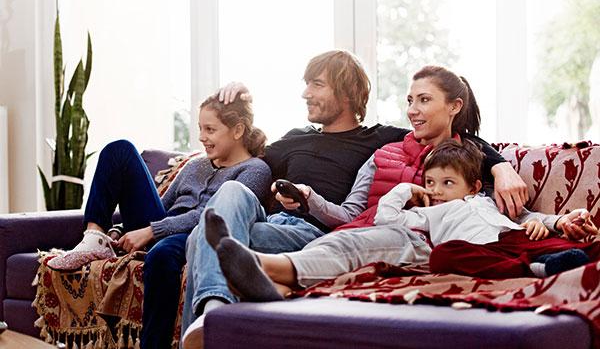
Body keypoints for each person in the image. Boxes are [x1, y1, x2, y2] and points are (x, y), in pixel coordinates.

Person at [181, 58, 526, 347]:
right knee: (226, 201)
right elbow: (241, 153)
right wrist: (241, 102)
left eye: (316, 84)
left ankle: (211, 319)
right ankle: (214, 312)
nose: (306, 93)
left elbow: (456, 141)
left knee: (202, 239)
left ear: (344, 92)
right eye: (410, 101)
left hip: (313, 230)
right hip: (272, 223)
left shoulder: (381, 138)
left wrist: (500, 164)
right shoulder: (297, 140)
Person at [206, 139, 599, 302]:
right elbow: (386, 218)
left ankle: (265, 276)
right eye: (431, 182)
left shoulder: (489, 201)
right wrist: (405, 192)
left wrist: (557, 223)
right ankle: (264, 268)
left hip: (506, 244)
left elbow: (533, 220)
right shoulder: (427, 210)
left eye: (448, 182)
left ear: (474, 184)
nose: (439, 189)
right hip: (432, 245)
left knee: (560, 249)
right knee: (350, 242)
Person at [47, 92, 272, 348]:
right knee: (119, 150)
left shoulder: (255, 170)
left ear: (238, 130)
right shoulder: (196, 166)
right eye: (200, 128)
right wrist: (120, 230)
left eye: (210, 129)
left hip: (198, 234)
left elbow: (214, 214)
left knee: (162, 255)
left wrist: (152, 231)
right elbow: (163, 205)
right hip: (164, 225)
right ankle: (95, 236)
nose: (201, 137)